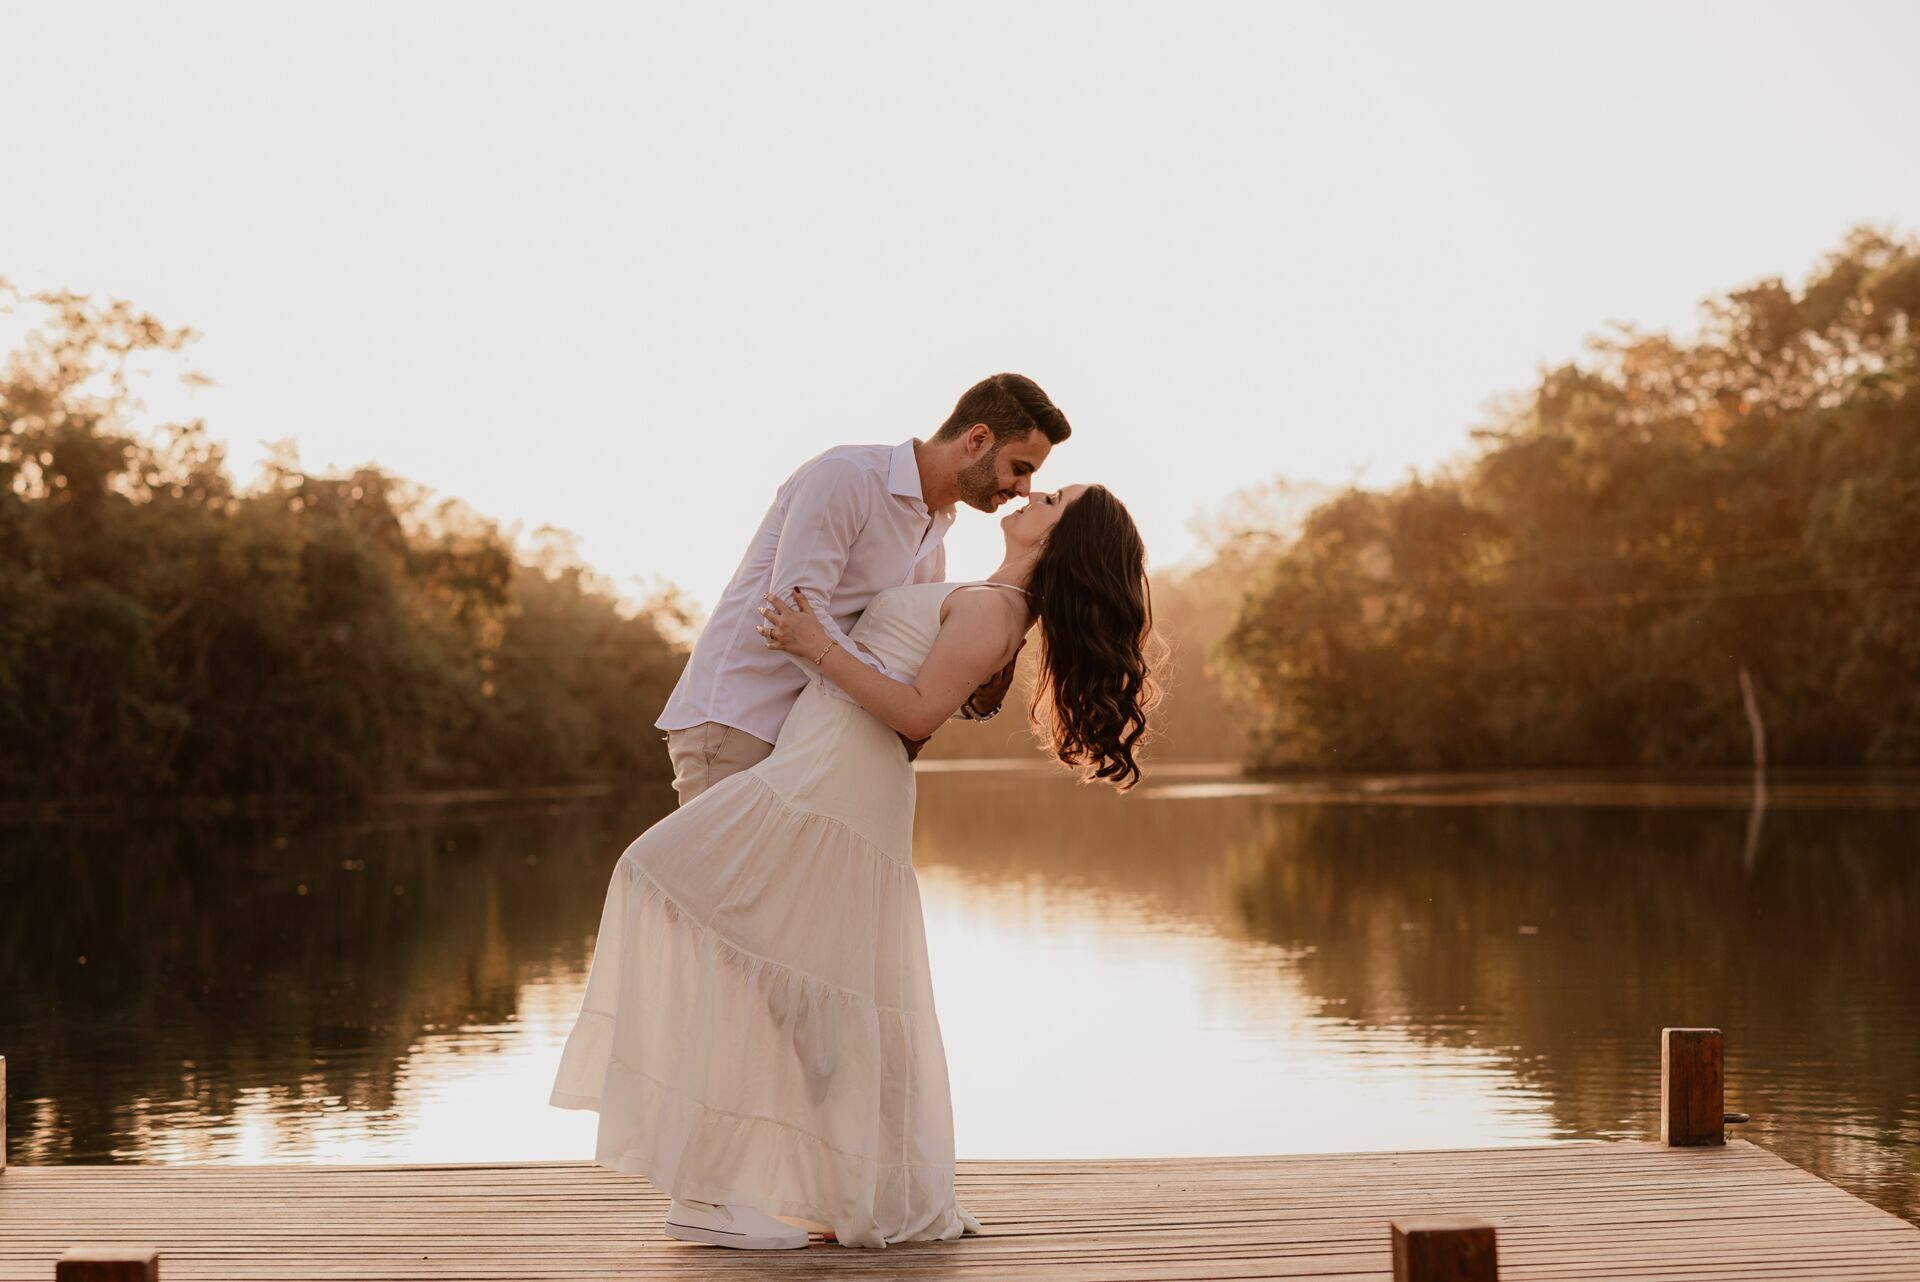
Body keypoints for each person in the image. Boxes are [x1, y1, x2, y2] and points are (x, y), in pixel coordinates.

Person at [549, 480, 1159, 1250]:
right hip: (823, 770)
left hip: (833, 781)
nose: (1031, 497)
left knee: (668, 880)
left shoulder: (996, 611)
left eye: (1053, 501)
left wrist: (817, 646)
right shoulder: (983, 597)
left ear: (1061, 540)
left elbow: (916, 713)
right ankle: (794, 1188)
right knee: (786, 967)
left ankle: (721, 1192)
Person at [653, 373, 1071, 805]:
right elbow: (791, 613)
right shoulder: (847, 477)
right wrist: (908, 706)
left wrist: (971, 702)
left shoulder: (934, 538)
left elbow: (905, 670)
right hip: (741, 719)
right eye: (1020, 468)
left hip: (813, 738)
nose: (1024, 489)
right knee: (713, 854)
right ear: (978, 440)